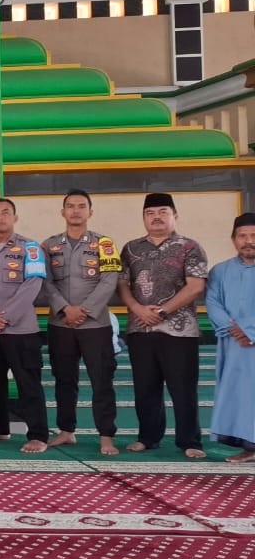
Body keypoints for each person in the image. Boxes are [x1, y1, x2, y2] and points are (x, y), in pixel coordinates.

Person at [117, 192, 208, 458]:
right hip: (140, 327)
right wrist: (137, 309)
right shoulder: (131, 248)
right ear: (143, 218)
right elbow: (121, 284)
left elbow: (196, 286)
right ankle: (148, 437)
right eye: (150, 213)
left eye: (162, 212)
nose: (156, 217)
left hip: (180, 331)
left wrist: (163, 310)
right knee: (145, 388)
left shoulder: (190, 246)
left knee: (183, 389)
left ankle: (190, 441)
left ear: (174, 216)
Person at [42, 190, 122, 455]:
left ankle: (106, 436)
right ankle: (66, 431)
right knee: (64, 380)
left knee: (102, 381)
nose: (75, 211)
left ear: (90, 211)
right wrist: (65, 309)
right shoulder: (49, 245)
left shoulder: (105, 244)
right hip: (60, 323)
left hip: (95, 325)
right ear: (62, 212)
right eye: (70, 206)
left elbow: (109, 280)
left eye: (81, 206)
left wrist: (84, 310)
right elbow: (45, 281)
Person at [0, 198, 49, 454]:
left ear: (15, 217)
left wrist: (4, 316)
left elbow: (33, 285)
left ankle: (38, 435)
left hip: (20, 330)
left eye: (5, 212)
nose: (0, 217)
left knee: (28, 383)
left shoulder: (30, 248)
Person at [206, 212, 255, 463]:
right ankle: (250, 446)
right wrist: (232, 328)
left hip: (249, 340)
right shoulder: (220, 271)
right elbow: (212, 302)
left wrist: (249, 329)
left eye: (254, 235)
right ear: (234, 239)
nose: (249, 241)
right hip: (234, 344)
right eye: (242, 236)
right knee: (240, 396)